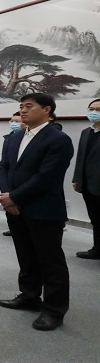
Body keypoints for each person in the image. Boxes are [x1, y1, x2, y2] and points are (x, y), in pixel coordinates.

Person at [0, 93, 74, 331]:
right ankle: (29, 296)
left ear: (47, 109)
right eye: (21, 106)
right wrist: (8, 197)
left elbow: (47, 176)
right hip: (15, 208)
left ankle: (54, 311)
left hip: (43, 209)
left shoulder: (58, 139)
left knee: (50, 261)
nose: (23, 110)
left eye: (29, 106)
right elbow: (4, 166)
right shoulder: (15, 137)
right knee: (26, 255)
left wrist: (15, 197)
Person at [71, 98, 100, 259]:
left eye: (98, 110)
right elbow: (80, 157)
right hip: (88, 183)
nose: (94, 112)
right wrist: (77, 178)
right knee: (95, 218)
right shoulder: (86, 132)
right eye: (91, 109)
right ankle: (97, 249)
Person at [2, 112, 23, 237]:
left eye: (17, 121)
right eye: (12, 120)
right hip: (9, 182)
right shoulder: (9, 138)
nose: (14, 123)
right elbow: (3, 165)